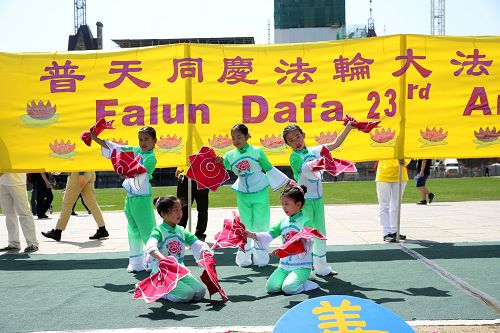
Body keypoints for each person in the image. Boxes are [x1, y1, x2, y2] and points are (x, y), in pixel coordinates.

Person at [282, 122, 354, 276]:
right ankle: (303, 268)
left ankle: (322, 268)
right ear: (287, 144)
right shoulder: (294, 157)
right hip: (303, 203)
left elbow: (335, 144)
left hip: (318, 200)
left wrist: (348, 127)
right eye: (291, 140)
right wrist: (326, 161)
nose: (296, 141)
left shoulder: (315, 150)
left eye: (298, 136)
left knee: (320, 233)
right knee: (306, 235)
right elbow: (308, 168)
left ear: (303, 135)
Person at [216, 124, 290, 268]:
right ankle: (243, 258)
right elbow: (223, 167)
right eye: (233, 138)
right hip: (242, 192)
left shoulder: (257, 151)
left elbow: (268, 168)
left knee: (261, 224)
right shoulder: (230, 155)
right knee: (244, 224)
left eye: (239, 137)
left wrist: (285, 183)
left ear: (247, 136)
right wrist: (219, 161)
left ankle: (261, 258)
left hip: (260, 190)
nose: (236, 140)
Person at [91, 126, 158, 273]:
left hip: (142, 198)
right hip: (131, 198)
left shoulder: (151, 158)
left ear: (154, 141)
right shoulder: (135, 151)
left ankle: (154, 261)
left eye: (147, 139)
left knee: (147, 230)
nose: (143, 142)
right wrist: (95, 138)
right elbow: (115, 148)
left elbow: (139, 172)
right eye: (141, 139)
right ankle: (136, 262)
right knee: (133, 230)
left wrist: (125, 173)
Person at [246, 185, 320, 295]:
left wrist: (300, 241)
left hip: (301, 265)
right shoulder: (283, 221)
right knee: (271, 287)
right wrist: (250, 234)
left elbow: (308, 244)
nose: (284, 207)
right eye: (282, 204)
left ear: (298, 204)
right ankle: (294, 279)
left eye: (287, 204)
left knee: (289, 288)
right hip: (284, 265)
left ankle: (306, 282)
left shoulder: (306, 222)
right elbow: (268, 235)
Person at [145, 195, 211, 302]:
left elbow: (196, 243)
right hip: (163, 273)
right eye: (175, 210)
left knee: (200, 292)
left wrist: (205, 252)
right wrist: (164, 260)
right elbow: (150, 247)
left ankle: (173, 288)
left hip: (179, 270)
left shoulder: (181, 230)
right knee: (187, 294)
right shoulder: (158, 231)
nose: (180, 213)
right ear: (164, 214)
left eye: (180, 209)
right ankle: (161, 291)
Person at [41, 172, 109, 241]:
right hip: (90, 172)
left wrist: (80, 174)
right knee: (92, 203)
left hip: (78, 173)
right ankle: (102, 229)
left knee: (67, 203)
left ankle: (57, 232)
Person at [0, 173, 39, 253]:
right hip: (2, 182)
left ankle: (32, 243)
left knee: (24, 212)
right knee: (9, 214)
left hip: (17, 181)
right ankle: (13, 243)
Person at [375, 159, 409, 242]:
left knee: (396, 205)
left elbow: (408, 152)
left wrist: (405, 162)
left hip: (400, 175)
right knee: (384, 205)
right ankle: (386, 233)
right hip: (383, 175)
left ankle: (394, 231)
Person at [176, 168, 209, 241]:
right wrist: (179, 168)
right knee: (182, 208)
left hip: (202, 177)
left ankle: (199, 235)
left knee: (202, 209)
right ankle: (179, 234)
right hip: (185, 176)